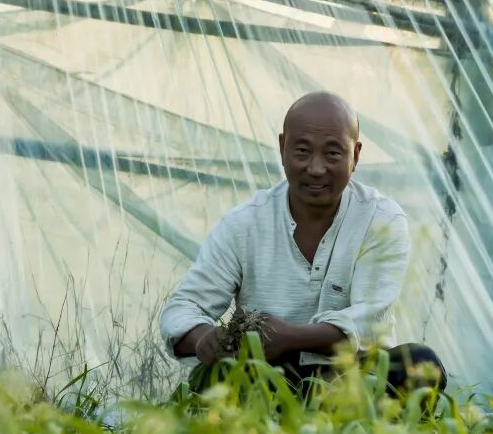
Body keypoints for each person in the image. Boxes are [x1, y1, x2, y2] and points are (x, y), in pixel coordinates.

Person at [160, 90, 447, 397]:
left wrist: (292, 337)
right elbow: (182, 308)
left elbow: (368, 322)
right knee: (214, 377)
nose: (316, 168)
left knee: (420, 364)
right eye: (302, 151)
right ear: (283, 148)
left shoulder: (381, 220)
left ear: (356, 155)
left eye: (333, 153)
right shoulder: (244, 224)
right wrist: (204, 337)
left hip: (352, 377)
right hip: (268, 376)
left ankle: (333, 422)